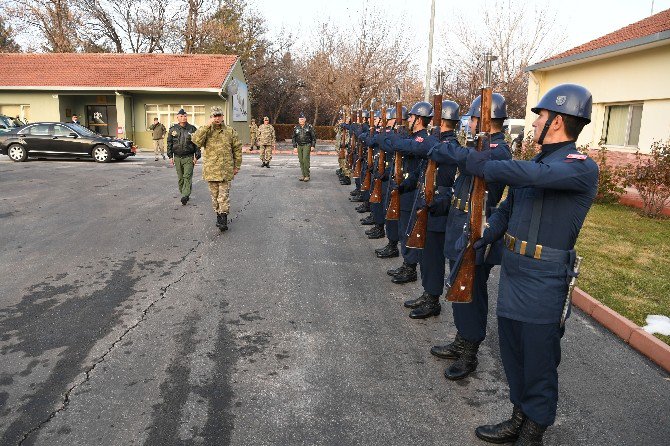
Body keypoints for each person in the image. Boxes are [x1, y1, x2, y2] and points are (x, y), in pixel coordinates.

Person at [465, 84, 598, 445]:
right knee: (513, 350)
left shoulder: (580, 167)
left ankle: (534, 429)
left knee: (539, 357)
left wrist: (489, 164)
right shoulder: (536, 164)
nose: (535, 121)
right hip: (515, 269)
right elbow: (509, 205)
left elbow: (532, 178)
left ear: (556, 122)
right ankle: (518, 416)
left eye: (539, 115)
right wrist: (489, 233)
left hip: (546, 278)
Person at [192, 106, 242, 232]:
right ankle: (218, 215)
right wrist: (206, 126)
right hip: (211, 169)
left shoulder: (230, 131)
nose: (217, 118)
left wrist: (237, 165)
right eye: (215, 116)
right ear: (211, 117)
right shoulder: (206, 131)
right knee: (214, 196)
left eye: (219, 115)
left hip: (225, 169)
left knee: (223, 196)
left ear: (223, 116)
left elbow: (237, 149)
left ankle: (224, 218)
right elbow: (196, 141)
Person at [167, 108, 200, 205]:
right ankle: (184, 193)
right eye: (181, 116)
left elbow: (197, 143)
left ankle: (185, 195)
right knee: (180, 177)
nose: (183, 118)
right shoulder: (173, 129)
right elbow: (169, 143)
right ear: (177, 117)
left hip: (189, 157)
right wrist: (170, 156)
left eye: (185, 116)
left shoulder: (192, 129)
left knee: (187, 176)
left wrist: (196, 156)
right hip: (177, 157)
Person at [293, 113, 317, 181]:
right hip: (299, 145)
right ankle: (303, 175)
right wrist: (294, 146)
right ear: (298, 120)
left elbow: (313, 137)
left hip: (307, 145)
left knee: (305, 159)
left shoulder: (309, 127)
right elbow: (293, 138)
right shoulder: (296, 127)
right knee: (301, 160)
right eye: (300, 119)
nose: (301, 120)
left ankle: (307, 175)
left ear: (305, 119)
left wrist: (313, 145)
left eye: (302, 119)